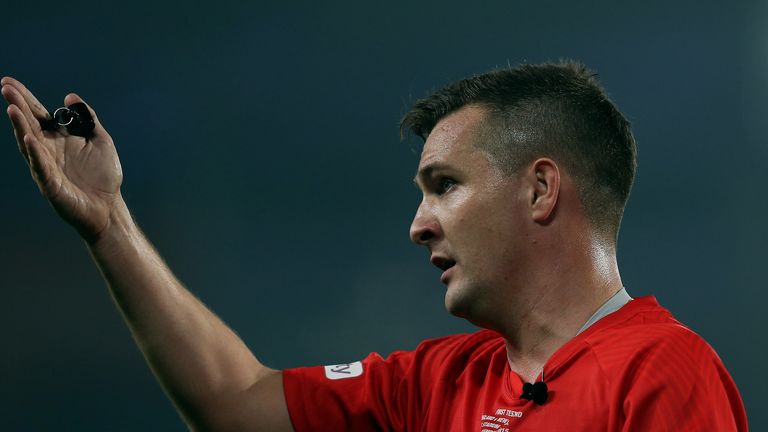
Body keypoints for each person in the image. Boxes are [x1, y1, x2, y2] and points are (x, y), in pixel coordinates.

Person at [2, 61, 747, 431]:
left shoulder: (663, 373)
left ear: (540, 190)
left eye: (444, 185)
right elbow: (233, 400)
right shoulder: (438, 383)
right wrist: (110, 223)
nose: (418, 223)